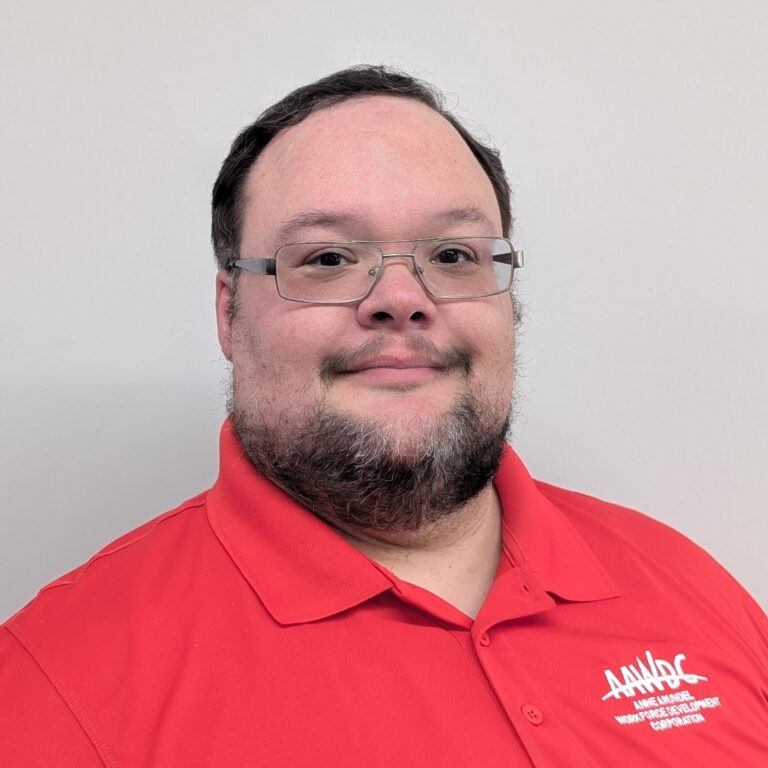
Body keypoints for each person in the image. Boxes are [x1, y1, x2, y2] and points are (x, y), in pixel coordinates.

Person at [1, 65, 766, 766]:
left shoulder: (690, 588)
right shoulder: (54, 685)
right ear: (230, 311)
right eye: (328, 259)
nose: (401, 298)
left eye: (453, 256)